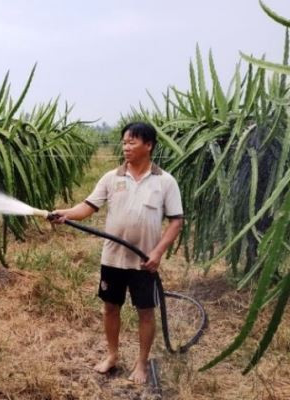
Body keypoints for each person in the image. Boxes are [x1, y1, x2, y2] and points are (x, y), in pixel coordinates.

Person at [50, 122, 184, 384]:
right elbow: (87, 207)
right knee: (110, 308)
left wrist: (157, 253)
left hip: (145, 262)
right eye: (124, 142)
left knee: (145, 312)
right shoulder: (112, 178)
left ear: (149, 145)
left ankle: (142, 363)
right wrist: (64, 213)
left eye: (132, 142)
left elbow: (176, 221)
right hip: (112, 259)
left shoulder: (165, 182)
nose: (126, 147)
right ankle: (112, 356)